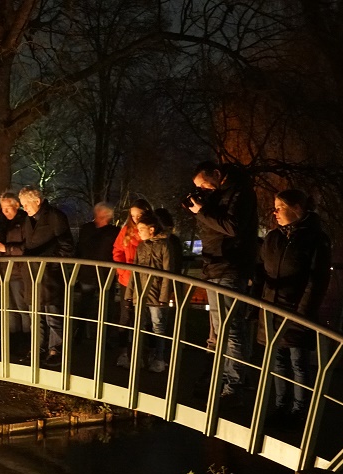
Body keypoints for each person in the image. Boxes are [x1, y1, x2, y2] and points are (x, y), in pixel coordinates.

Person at [255, 189, 332, 428]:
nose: (274, 212)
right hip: (271, 309)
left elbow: (316, 281)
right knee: (278, 361)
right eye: (274, 206)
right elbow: (261, 271)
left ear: (297, 208)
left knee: (298, 362)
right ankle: (281, 407)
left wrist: (303, 315)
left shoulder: (316, 239)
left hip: (297, 312)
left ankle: (300, 412)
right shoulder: (273, 237)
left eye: (280, 207)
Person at [186, 161, 259, 402]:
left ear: (217, 175)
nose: (202, 189)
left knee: (230, 328)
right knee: (219, 329)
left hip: (229, 264)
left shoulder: (240, 192)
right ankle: (225, 379)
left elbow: (232, 227)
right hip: (215, 265)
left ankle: (233, 384)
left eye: (203, 184)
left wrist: (202, 211)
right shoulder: (222, 194)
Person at [18, 186, 74, 368]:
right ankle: (37, 349)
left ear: (37, 200)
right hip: (32, 274)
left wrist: (51, 264)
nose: (24, 208)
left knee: (53, 316)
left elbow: (66, 245)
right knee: (37, 317)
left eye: (26, 204)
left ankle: (55, 351)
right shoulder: (28, 219)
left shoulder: (55, 217)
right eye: (22, 205)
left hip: (49, 275)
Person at [130, 210, 182, 373]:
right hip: (141, 294)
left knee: (158, 326)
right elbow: (134, 271)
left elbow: (168, 272)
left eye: (141, 229)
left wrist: (164, 297)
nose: (139, 233)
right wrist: (130, 293)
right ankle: (138, 357)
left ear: (152, 229)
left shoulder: (165, 246)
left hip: (156, 295)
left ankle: (159, 358)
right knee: (139, 326)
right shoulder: (141, 247)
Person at [112, 199, 149, 368]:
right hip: (127, 280)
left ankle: (140, 354)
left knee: (142, 318)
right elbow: (117, 250)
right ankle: (123, 353)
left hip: (144, 281)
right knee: (126, 316)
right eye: (132, 215)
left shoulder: (149, 231)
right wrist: (122, 270)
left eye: (139, 215)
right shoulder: (126, 230)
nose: (135, 218)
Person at [0, 192, 31, 338]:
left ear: (16, 206)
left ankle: (27, 338)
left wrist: (6, 248)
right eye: (3, 208)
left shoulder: (25, 222)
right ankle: (12, 337)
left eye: (8, 208)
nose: (5, 211)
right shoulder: (3, 223)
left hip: (19, 271)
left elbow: (28, 247)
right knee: (9, 307)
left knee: (22, 307)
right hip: (5, 271)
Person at [76, 202, 120, 338]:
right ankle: (81, 332)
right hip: (88, 274)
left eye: (101, 214)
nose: (98, 216)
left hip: (106, 275)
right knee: (85, 305)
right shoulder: (87, 229)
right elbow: (80, 249)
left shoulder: (114, 232)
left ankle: (105, 335)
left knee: (106, 306)